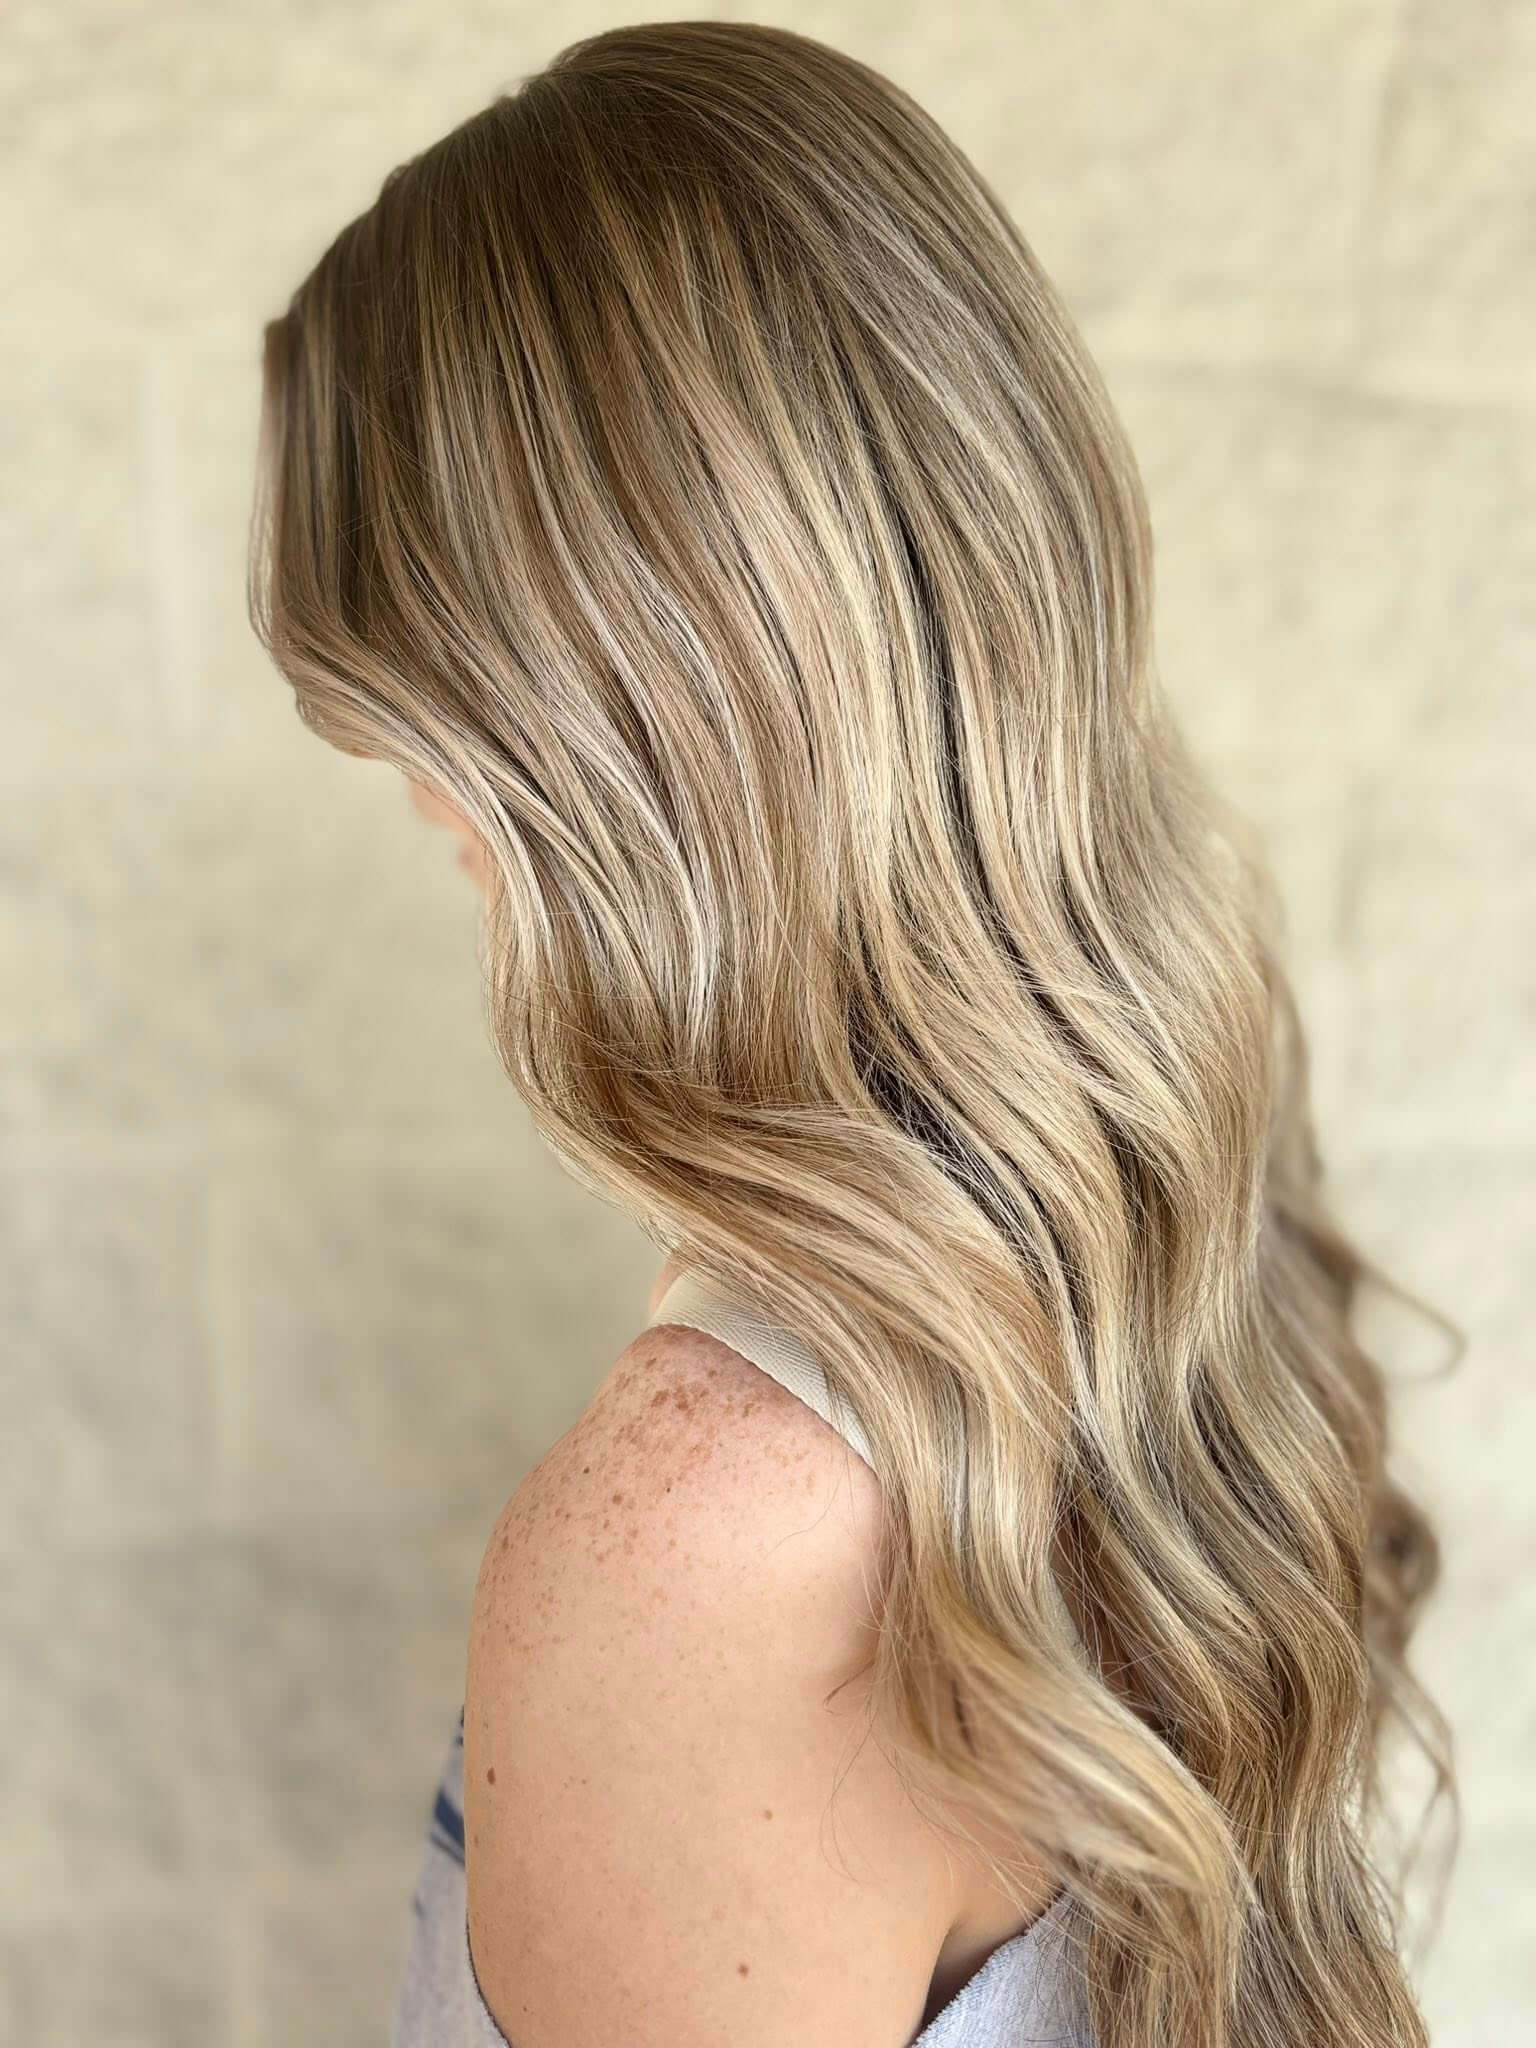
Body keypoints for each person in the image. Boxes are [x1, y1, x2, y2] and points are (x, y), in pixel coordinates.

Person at [247, 22, 1458, 2047]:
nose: (395, 776)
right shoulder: (1170, 1150)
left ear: (610, 710)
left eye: (419, 700)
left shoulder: (704, 1548)